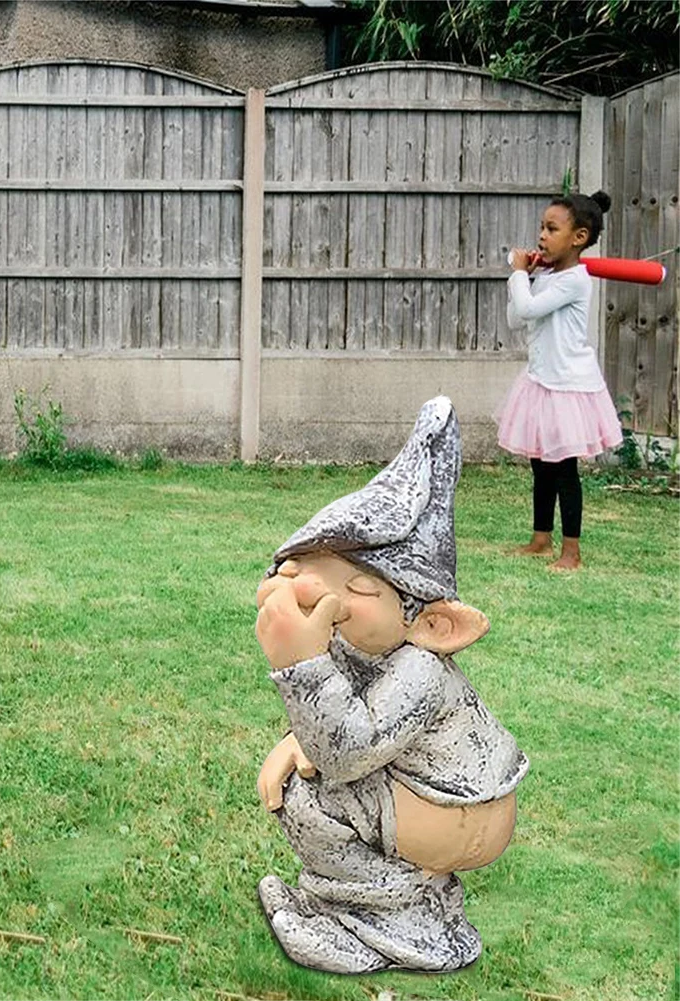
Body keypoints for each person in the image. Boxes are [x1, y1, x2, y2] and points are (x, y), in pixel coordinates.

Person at [254, 398, 529, 974]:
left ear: (434, 625)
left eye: (358, 588)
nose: (325, 598)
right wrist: (299, 738)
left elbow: (348, 753)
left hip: (458, 813)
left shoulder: (420, 669)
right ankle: (361, 904)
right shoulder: (369, 645)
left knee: (309, 799)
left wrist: (300, 664)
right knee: (306, 774)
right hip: (430, 800)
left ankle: (383, 924)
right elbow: (355, 719)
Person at [496, 191, 622, 571]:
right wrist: (526, 277)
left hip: (569, 387)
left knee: (565, 469)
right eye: (542, 227)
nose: (541, 236)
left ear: (578, 238)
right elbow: (518, 317)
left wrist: (520, 274)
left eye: (552, 229)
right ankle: (540, 539)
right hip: (541, 382)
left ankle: (571, 552)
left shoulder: (575, 281)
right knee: (541, 464)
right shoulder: (549, 276)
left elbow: (529, 306)